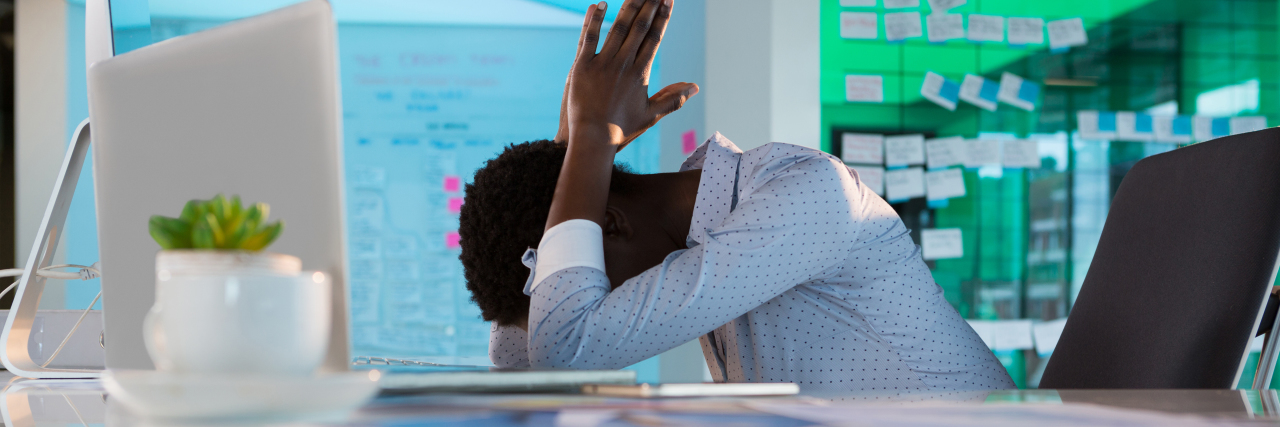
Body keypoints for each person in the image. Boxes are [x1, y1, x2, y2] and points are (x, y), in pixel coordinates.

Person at [458, 0, 1014, 392]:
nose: (572, 296)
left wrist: (587, 147)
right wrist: (574, 154)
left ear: (609, 224)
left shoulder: (808, 196)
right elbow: (522, 365)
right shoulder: (698, 239)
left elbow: (564, 353)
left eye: (572, 277)